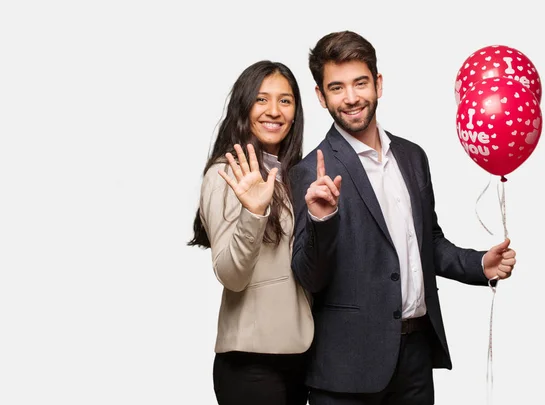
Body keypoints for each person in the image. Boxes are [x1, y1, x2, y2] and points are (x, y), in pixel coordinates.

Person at [289, 31, 517, 405]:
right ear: (320, 96)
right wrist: (320, 219)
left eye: (360, 83)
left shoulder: (412, 157)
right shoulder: (310, 173)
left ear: (377, 84)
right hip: (347, 370)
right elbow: (308, 277)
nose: (350, 98)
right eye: (336, 87)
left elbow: (430, 242)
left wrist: (480, 264)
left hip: (414, 359)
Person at [188, 60, 313, 405]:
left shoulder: (292, 176)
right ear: (244, 106)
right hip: (250, 363)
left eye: (285, 101)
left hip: (300, 357)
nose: (274, 111)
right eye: (262, 99)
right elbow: (232, 276)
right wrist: (253, 212)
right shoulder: (224, 175)